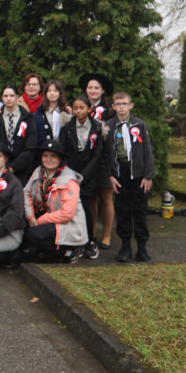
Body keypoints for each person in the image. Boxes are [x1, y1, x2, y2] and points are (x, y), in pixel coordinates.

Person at [106, 91, 155, 263]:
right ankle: (125, 247)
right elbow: (105, 154)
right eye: (118, 104)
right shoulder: (109, 126)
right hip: (120, 173)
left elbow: (147, 151)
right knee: (123, 210)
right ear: (113, 106)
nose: (121, 107)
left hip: (138, 173)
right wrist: (111, 176)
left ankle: (142, 248)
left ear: (130, 105)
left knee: (140, 212)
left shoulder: (139, 125)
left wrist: (148, 175)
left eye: (124, 104)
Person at [23, 139, 88, 263]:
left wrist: (40, 220)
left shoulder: (68, 179)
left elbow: (67, 214)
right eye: (45, 155)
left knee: (33, 234)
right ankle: (44, 252)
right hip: (49, 217)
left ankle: (67, 252)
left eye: (53, 156)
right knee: (24, 226)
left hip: (69, 224)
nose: (49, 159)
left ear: (60, 159)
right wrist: (30, 216)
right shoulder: (38, 171)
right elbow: (26, 192)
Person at [59, 96, 107, 259]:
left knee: (86, 207)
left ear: (88, 109)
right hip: (70, 174)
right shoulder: (67, 128)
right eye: (75, 107)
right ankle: (72, 241)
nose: (78, 111)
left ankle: (89, 241)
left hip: (88, 175)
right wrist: (71, 174)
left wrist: (84, 176)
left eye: (81, 107)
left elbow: (97, 154)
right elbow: (63, 151)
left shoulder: (97, 127)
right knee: (70, 207)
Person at [80, 73, 114, 246]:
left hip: (104, 159)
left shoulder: (109, 110)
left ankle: (106, 236)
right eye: (90, 88)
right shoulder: (80, 107)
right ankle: (91, 232)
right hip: (88, 159)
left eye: (96, 88)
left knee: (105, 198)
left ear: (102, 91)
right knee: (90, 198)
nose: (93, 91)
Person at [0, 84, 37, 184]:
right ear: (2, 98)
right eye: (5, 96)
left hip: (22, 170)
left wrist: (14, 167)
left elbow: (31, 146)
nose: (8, 99)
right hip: (0, 167)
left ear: (17, 97)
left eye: (11, 96)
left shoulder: (27, 117)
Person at [35, 80, 71, 144]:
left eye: (55, 91)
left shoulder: (67, 113)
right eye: (49, 91)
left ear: (60, 93)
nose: (52, 93)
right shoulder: (38, 114)